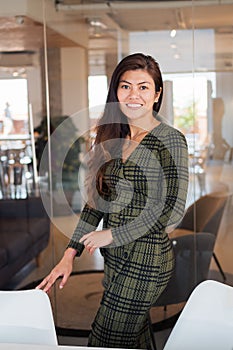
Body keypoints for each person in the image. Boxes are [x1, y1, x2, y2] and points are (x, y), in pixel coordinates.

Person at [36, 53, 189, 349]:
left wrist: (113, 234)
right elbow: (96, 204)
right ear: (115, 92)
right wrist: (70, 253)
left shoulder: (171, 140)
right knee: (134, 339)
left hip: (147, 260)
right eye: (125, 86)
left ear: (157, 94)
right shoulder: (112, 137)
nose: (134, 95)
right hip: (115, 260)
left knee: (105, 340)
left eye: (143, 87)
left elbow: (172, 210)